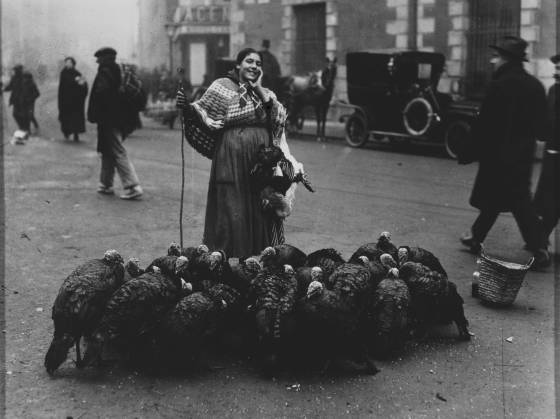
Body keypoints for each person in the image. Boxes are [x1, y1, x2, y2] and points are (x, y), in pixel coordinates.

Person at [176, 47, 303, 258]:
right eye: (249, 61)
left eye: (258, 63)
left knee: (259, 207)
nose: (253, 66)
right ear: (238, 65)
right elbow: (203, 112)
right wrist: (187, 107)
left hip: (260, 162)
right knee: (231, 207)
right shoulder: (221, 87)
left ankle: (257, 258)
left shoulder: (265, 93)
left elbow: (277, 117)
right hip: (231, 158)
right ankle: (225, 258)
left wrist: (258, 88)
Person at [458, 36, 550, 269]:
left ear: (506, 59)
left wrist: (467, 151)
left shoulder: (499, 85)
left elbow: (484, 124)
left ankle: (539, 248)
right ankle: (475, 237)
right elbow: (542, 128)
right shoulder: (535, 85)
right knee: (506, 197)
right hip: (521, 156)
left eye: (496, 56)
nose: (493, 61)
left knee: (511, 200)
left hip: (496, 155)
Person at [87, 47, 143, 200]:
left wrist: (96, 113)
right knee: (107, 149)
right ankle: (105, 184)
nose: (97, 61)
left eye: (99, 58)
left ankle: (132, 186)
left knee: (117, 150)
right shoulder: (116, 70)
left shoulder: (105, 72)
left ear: (105, 59)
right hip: (117, 117)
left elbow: (103, 95)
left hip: (109, 118)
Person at [533, 54, 560, 246]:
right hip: (552, 154)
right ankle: (540, 237)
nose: (556, 72)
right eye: (556, 68)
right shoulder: (553, 90)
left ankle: (539, 238)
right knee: (550, 201)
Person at [58, 57, 88, 141]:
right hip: (65, 99)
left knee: (75, 117)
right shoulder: (63, 73)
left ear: (73, 64)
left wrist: (81, 84)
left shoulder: (77, 73)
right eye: (66, 62)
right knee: (66, 117)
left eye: (69, 62)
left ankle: (76, 133)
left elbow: (84, 85)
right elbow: (61, 87)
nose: (67, 64)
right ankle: (66, 132)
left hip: (75, 100)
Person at [4, 65, 29, 138]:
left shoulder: (24, 78)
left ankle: (25, 129)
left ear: (19, 70)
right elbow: (10, 87)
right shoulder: (14, 78)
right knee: (15, 115)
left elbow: (26, 89)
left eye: (16, 70)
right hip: (15, 99)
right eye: (14, 70)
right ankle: (23, 128)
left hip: (22, 100)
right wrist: (4, 89)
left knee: (22, 115)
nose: (14, 71)